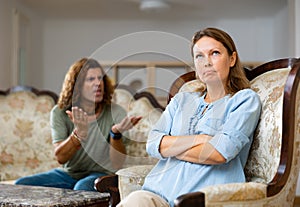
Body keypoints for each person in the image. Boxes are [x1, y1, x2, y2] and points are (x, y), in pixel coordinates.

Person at [117, 27, 262, 207]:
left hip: (202, 201)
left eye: (214, 53)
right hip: (156, 196)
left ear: (232, 59)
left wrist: (171, 147)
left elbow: (220, 153)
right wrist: (201, 139)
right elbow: (153, 143)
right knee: (134, 201)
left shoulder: (244, 100)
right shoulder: (182, 99)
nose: (206, 62)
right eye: (199, 56)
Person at [15, 57, 142, 191]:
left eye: (100, 78)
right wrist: (78, 135)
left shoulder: (115, 112)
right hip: (69, 174)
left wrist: (115, 134)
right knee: (21, 185)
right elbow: (61, 158)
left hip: (102, 175)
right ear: (77, 85)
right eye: (90, 79)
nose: (98, 83)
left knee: (81, 187)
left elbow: (117, 164)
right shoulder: (60, 112)